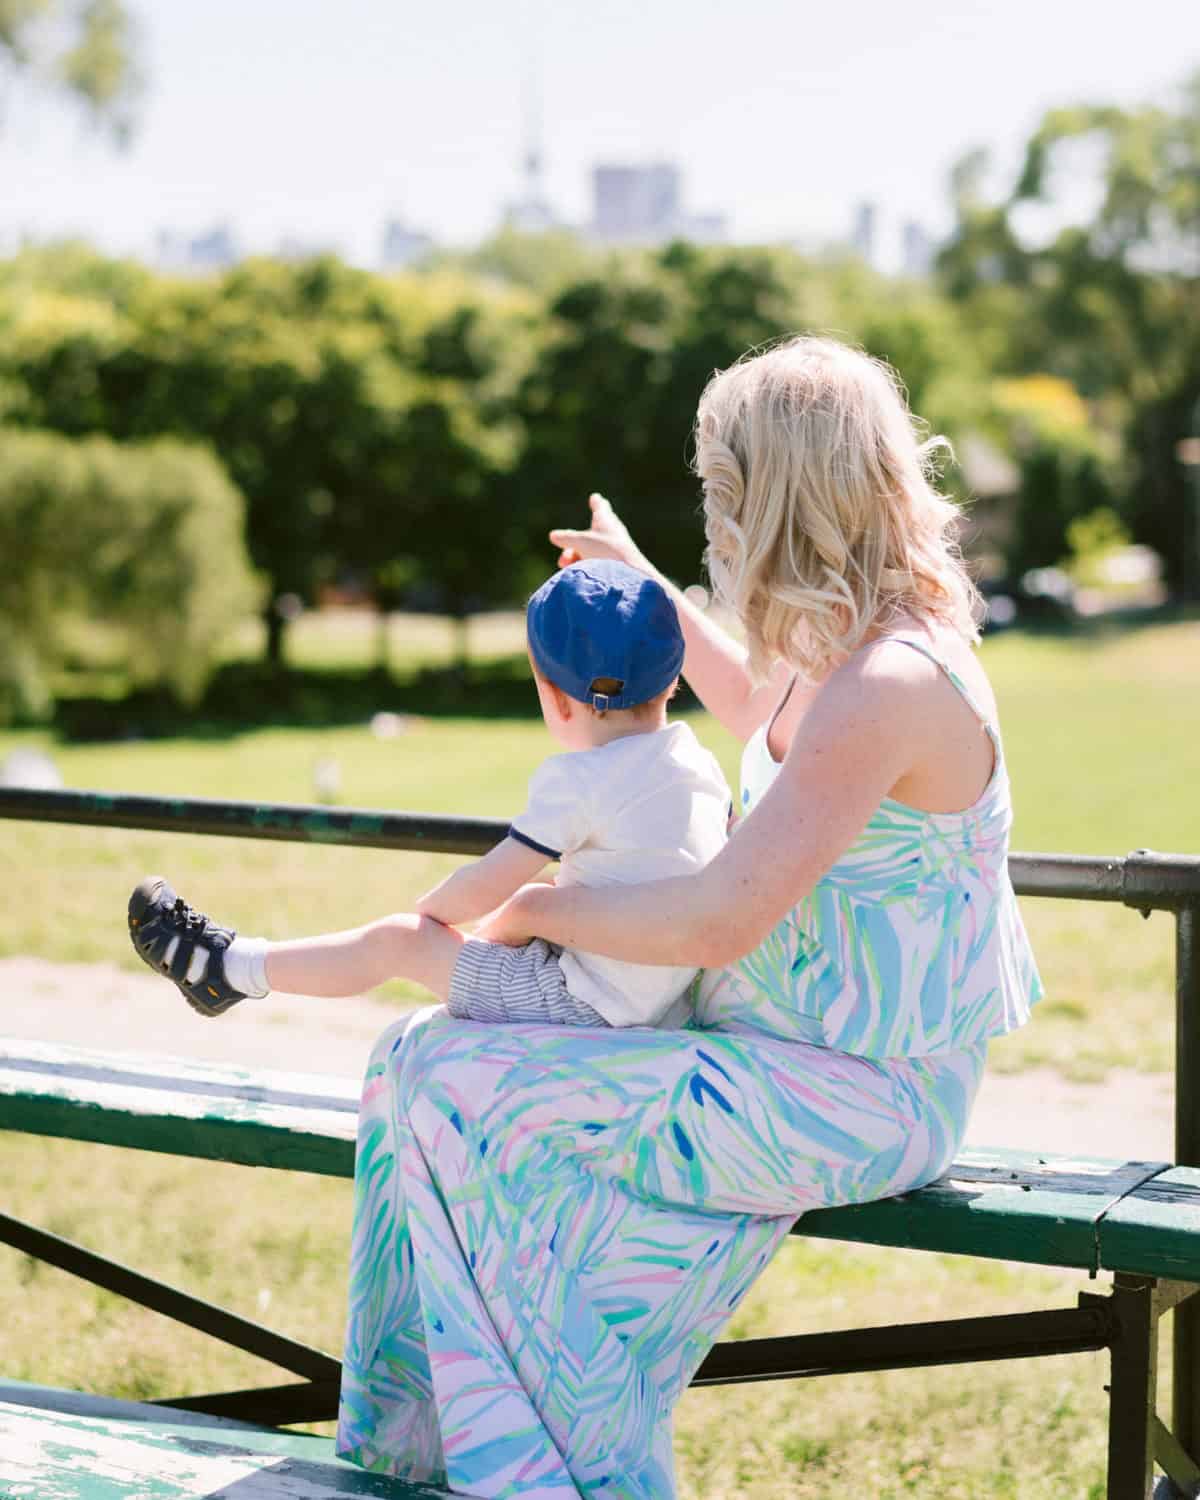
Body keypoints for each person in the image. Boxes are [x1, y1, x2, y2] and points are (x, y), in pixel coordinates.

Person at [324, 336, 1042, 1499]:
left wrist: (536, 907)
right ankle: (419, 1458)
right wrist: (643, 580)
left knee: (465, 1087)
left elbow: (718, 919)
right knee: (410, 1057)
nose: (710, 518)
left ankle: (558, 1471)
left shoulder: (893, 682)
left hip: (862, 1091)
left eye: (720, 489)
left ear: (778, 498)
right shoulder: (839, 659)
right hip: (767, 1057)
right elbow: (757, 704)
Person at [126, 559, 730, 1029]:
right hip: (654, 997)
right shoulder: (697, 763)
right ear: (672, 680)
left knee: (397, 942)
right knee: (537, 895)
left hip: (584, 1006)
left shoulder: (580, 779)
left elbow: (490, 880)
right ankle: (233, 967)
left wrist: (429, 917)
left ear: (557, 698)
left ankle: (228, 969)